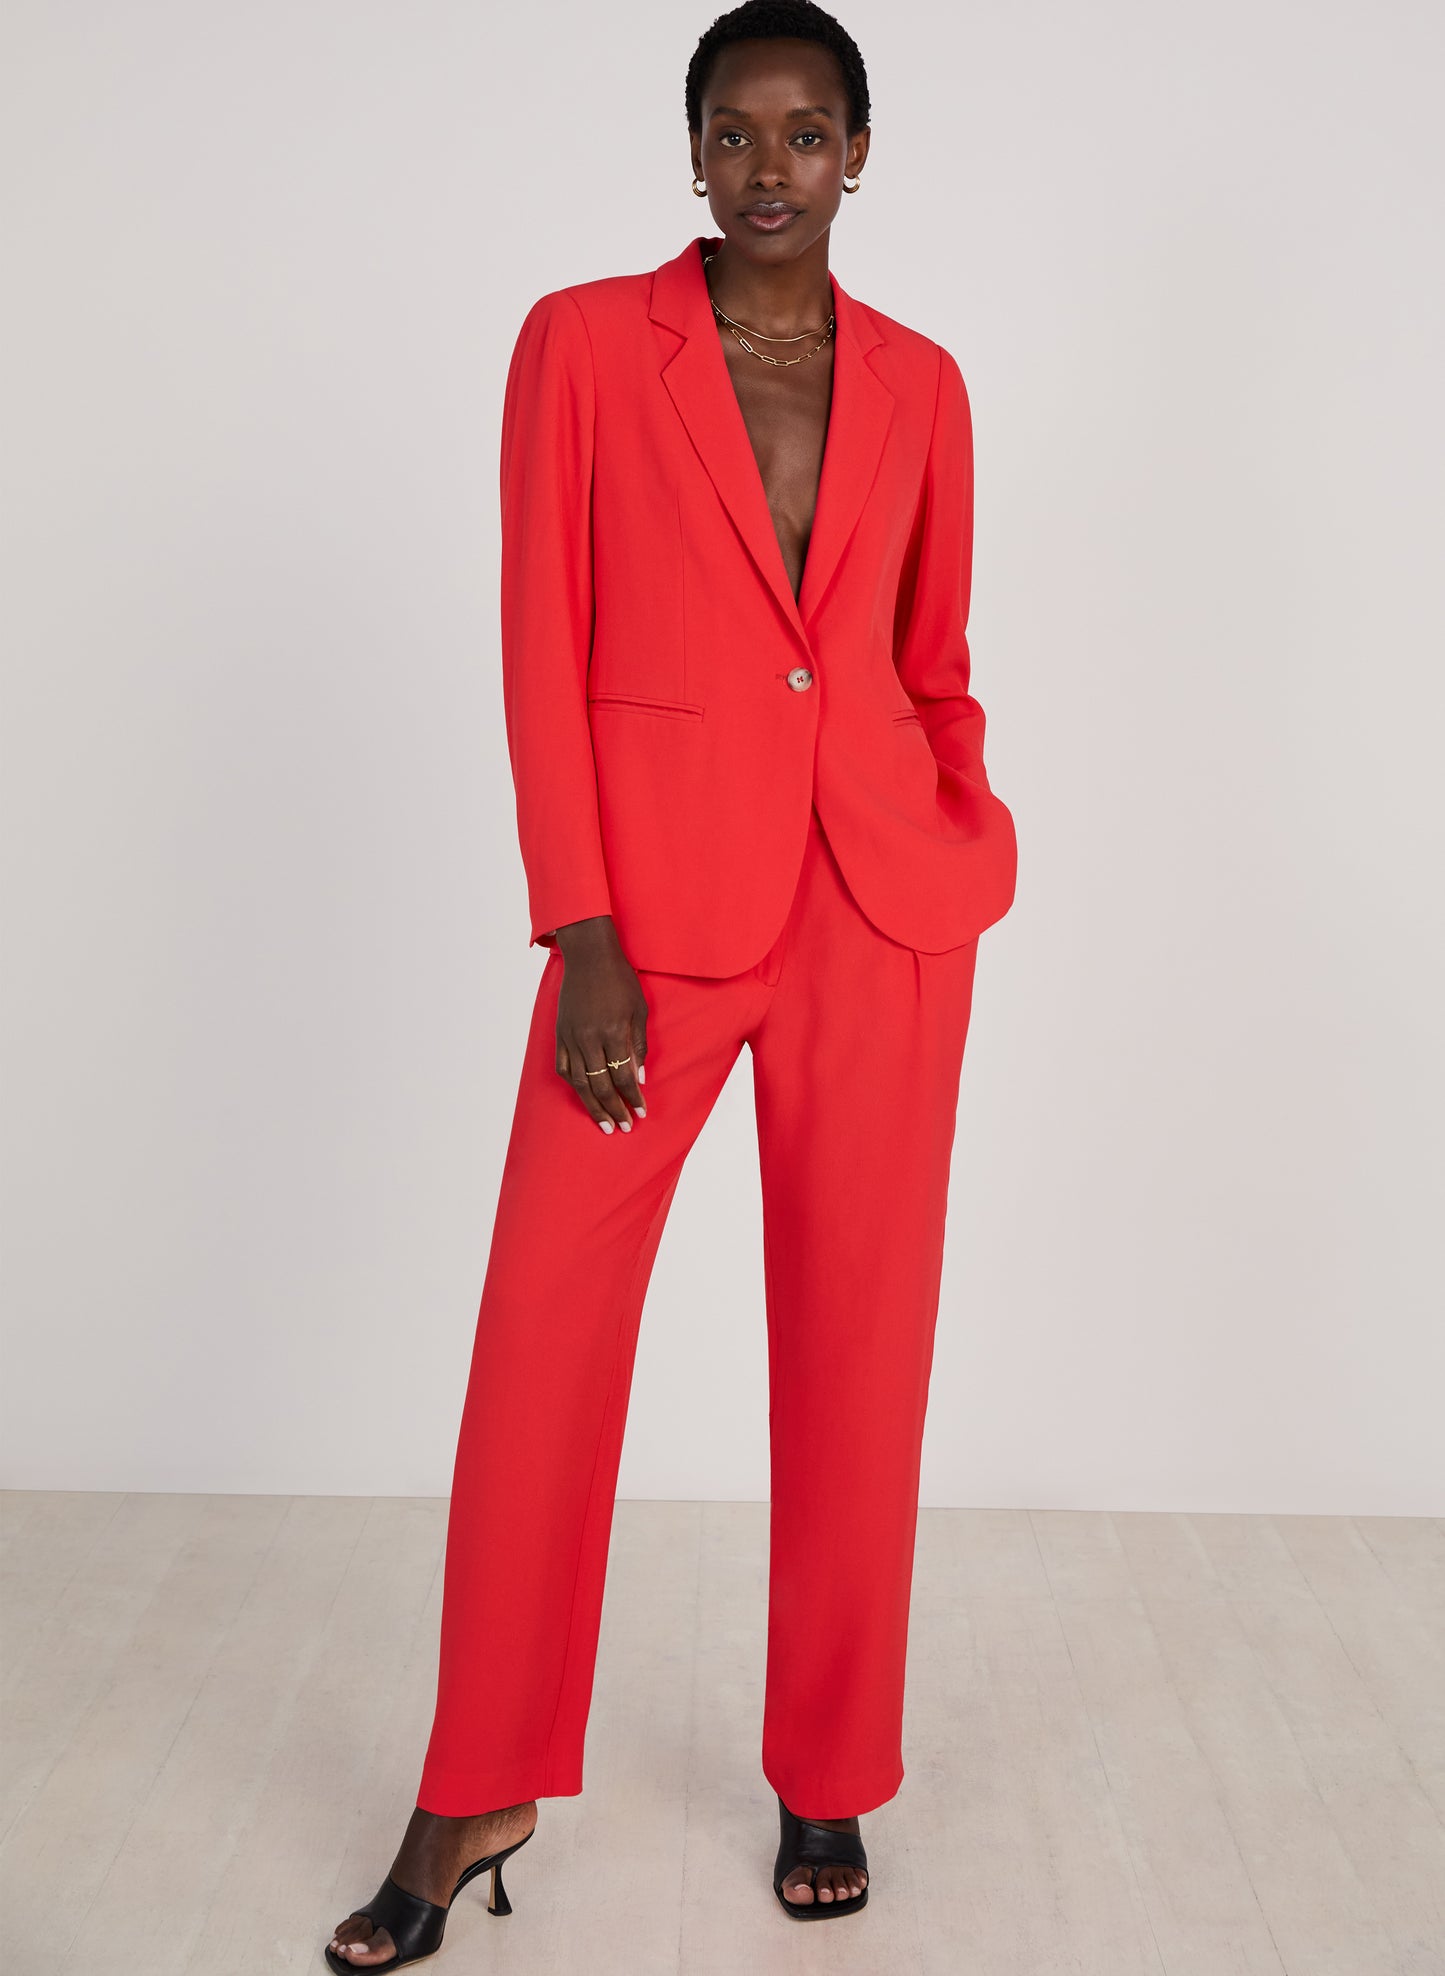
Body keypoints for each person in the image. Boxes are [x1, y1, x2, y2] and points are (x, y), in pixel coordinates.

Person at [326, 0, 1017, 1963]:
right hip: (650, 926)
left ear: (858, 154)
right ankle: (475, 1781)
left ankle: (830, 1766)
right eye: (735, 130)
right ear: (693, 152)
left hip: (879, 915)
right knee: (540, 1342)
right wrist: (582, 931)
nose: (768, 164)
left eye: (806, 131)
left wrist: (957, 823)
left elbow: (929, 653)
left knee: (859, 1352)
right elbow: (539, 636)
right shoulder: (580, 344)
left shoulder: (924, 382)